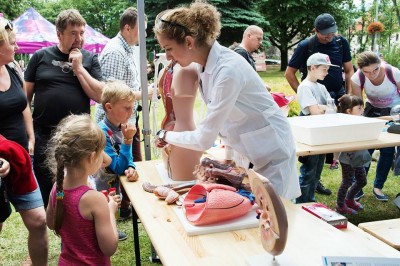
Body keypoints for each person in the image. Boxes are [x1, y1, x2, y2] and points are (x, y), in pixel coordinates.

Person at [153, 1, 300, 200]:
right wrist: (229, 159)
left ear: (189, 42)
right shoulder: (201, 65)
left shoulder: (228, 71)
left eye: (169, 48)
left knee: (274, 217)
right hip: (252, 150)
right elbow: (228, 118)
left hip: (273, 154)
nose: (168, 56)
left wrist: (164, 135)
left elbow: (204, 139)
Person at [25, 9, 104, 207]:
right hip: (45, 135)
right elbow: (24, 99)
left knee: (78, 189)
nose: (79, 38)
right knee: (49, 191)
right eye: (73, 33)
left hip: (79, 137)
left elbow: (99, 95)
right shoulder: (39, 57)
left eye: (82, 33)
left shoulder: (90, 59)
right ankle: (57, 222)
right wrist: (29, 136)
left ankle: (75, 229)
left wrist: (79, 69)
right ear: (59, 34)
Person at [285, 13, 354, 193]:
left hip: (334, 97)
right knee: (312, 150)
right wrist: (306, 97)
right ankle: (306, 186)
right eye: (325, 33)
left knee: (326, 146)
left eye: (332, 31)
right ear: (315, 31)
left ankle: (316, 182)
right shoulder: (306, 45)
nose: (330, 35)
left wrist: (348, 94)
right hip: (314, 103)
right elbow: (289, 73)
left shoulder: (341, 43)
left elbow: (348, 70)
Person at [0, 18, 48, 265]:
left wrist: (30, 136)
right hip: (0, 163)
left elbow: (24, 106)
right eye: (12, 43)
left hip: (20, 159)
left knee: (39, 221)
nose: (17, 47)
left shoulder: (13, 69)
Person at [46, 114, 118, 265]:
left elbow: (51, 223)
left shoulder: (57, 187)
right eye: (101, 153)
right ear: (92, 157)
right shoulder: (94, 199)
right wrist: (110, 211)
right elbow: (109, 248)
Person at [351, 51, 400, 201]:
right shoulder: (356, 78)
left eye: (376, 70)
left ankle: (378, 187)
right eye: (367, 72)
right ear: (361, 70)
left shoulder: (394, 73)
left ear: (380, 64)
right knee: (365, 150)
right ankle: (358, 186)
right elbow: (357, 104)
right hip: (371, 111)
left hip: (393, 112)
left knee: (387, 151)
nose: (372, 75)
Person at [95, 81, 139, 240]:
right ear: (109, 107)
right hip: (100, 184)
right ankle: (105, 234)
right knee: (101, 210)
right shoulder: (101, 132)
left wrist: (131, 167)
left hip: (112, 183)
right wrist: (128, 141)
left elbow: (126, 160)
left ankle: (109, 229)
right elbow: (117, 168)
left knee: (112, 205)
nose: (131, 112)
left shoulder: (122, 127)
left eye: (132, 107)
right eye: (126, 108)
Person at [295, 52, 338, 204]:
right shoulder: (305, 87)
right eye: (324, 69)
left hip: (321, 134)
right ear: (313, 68)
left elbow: (333, 109)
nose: (327, 73)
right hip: (311, 136)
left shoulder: (321, 86)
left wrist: (322, 107)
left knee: (317, 171)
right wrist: (323, 108)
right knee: (308, 172)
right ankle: (301, 203)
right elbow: (314, 112)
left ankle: (310, 201)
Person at [157, 53, 203, 180]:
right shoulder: (168, 69)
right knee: (170, 180)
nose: (166, 56)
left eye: (169, 48)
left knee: (183, 184)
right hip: (170, 131)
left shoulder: (186, 70)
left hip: (184, 137)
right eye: (164, 48)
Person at [335, 94, 369, 214]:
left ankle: (349, 199)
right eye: (359, 108)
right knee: (347, 182)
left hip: (358, 157)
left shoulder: (361, 120)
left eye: (362, 107)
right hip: (347, 159)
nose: (362, 110)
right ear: (349, 111)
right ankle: (340, 205)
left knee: (362, 180)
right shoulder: (344, 124)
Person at [234, 25, 271, 91]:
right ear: (249, 36)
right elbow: (243, 82)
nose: (260, 43)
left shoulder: (245, 53)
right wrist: (263, 87)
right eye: (258, 39)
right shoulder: (241, 53)